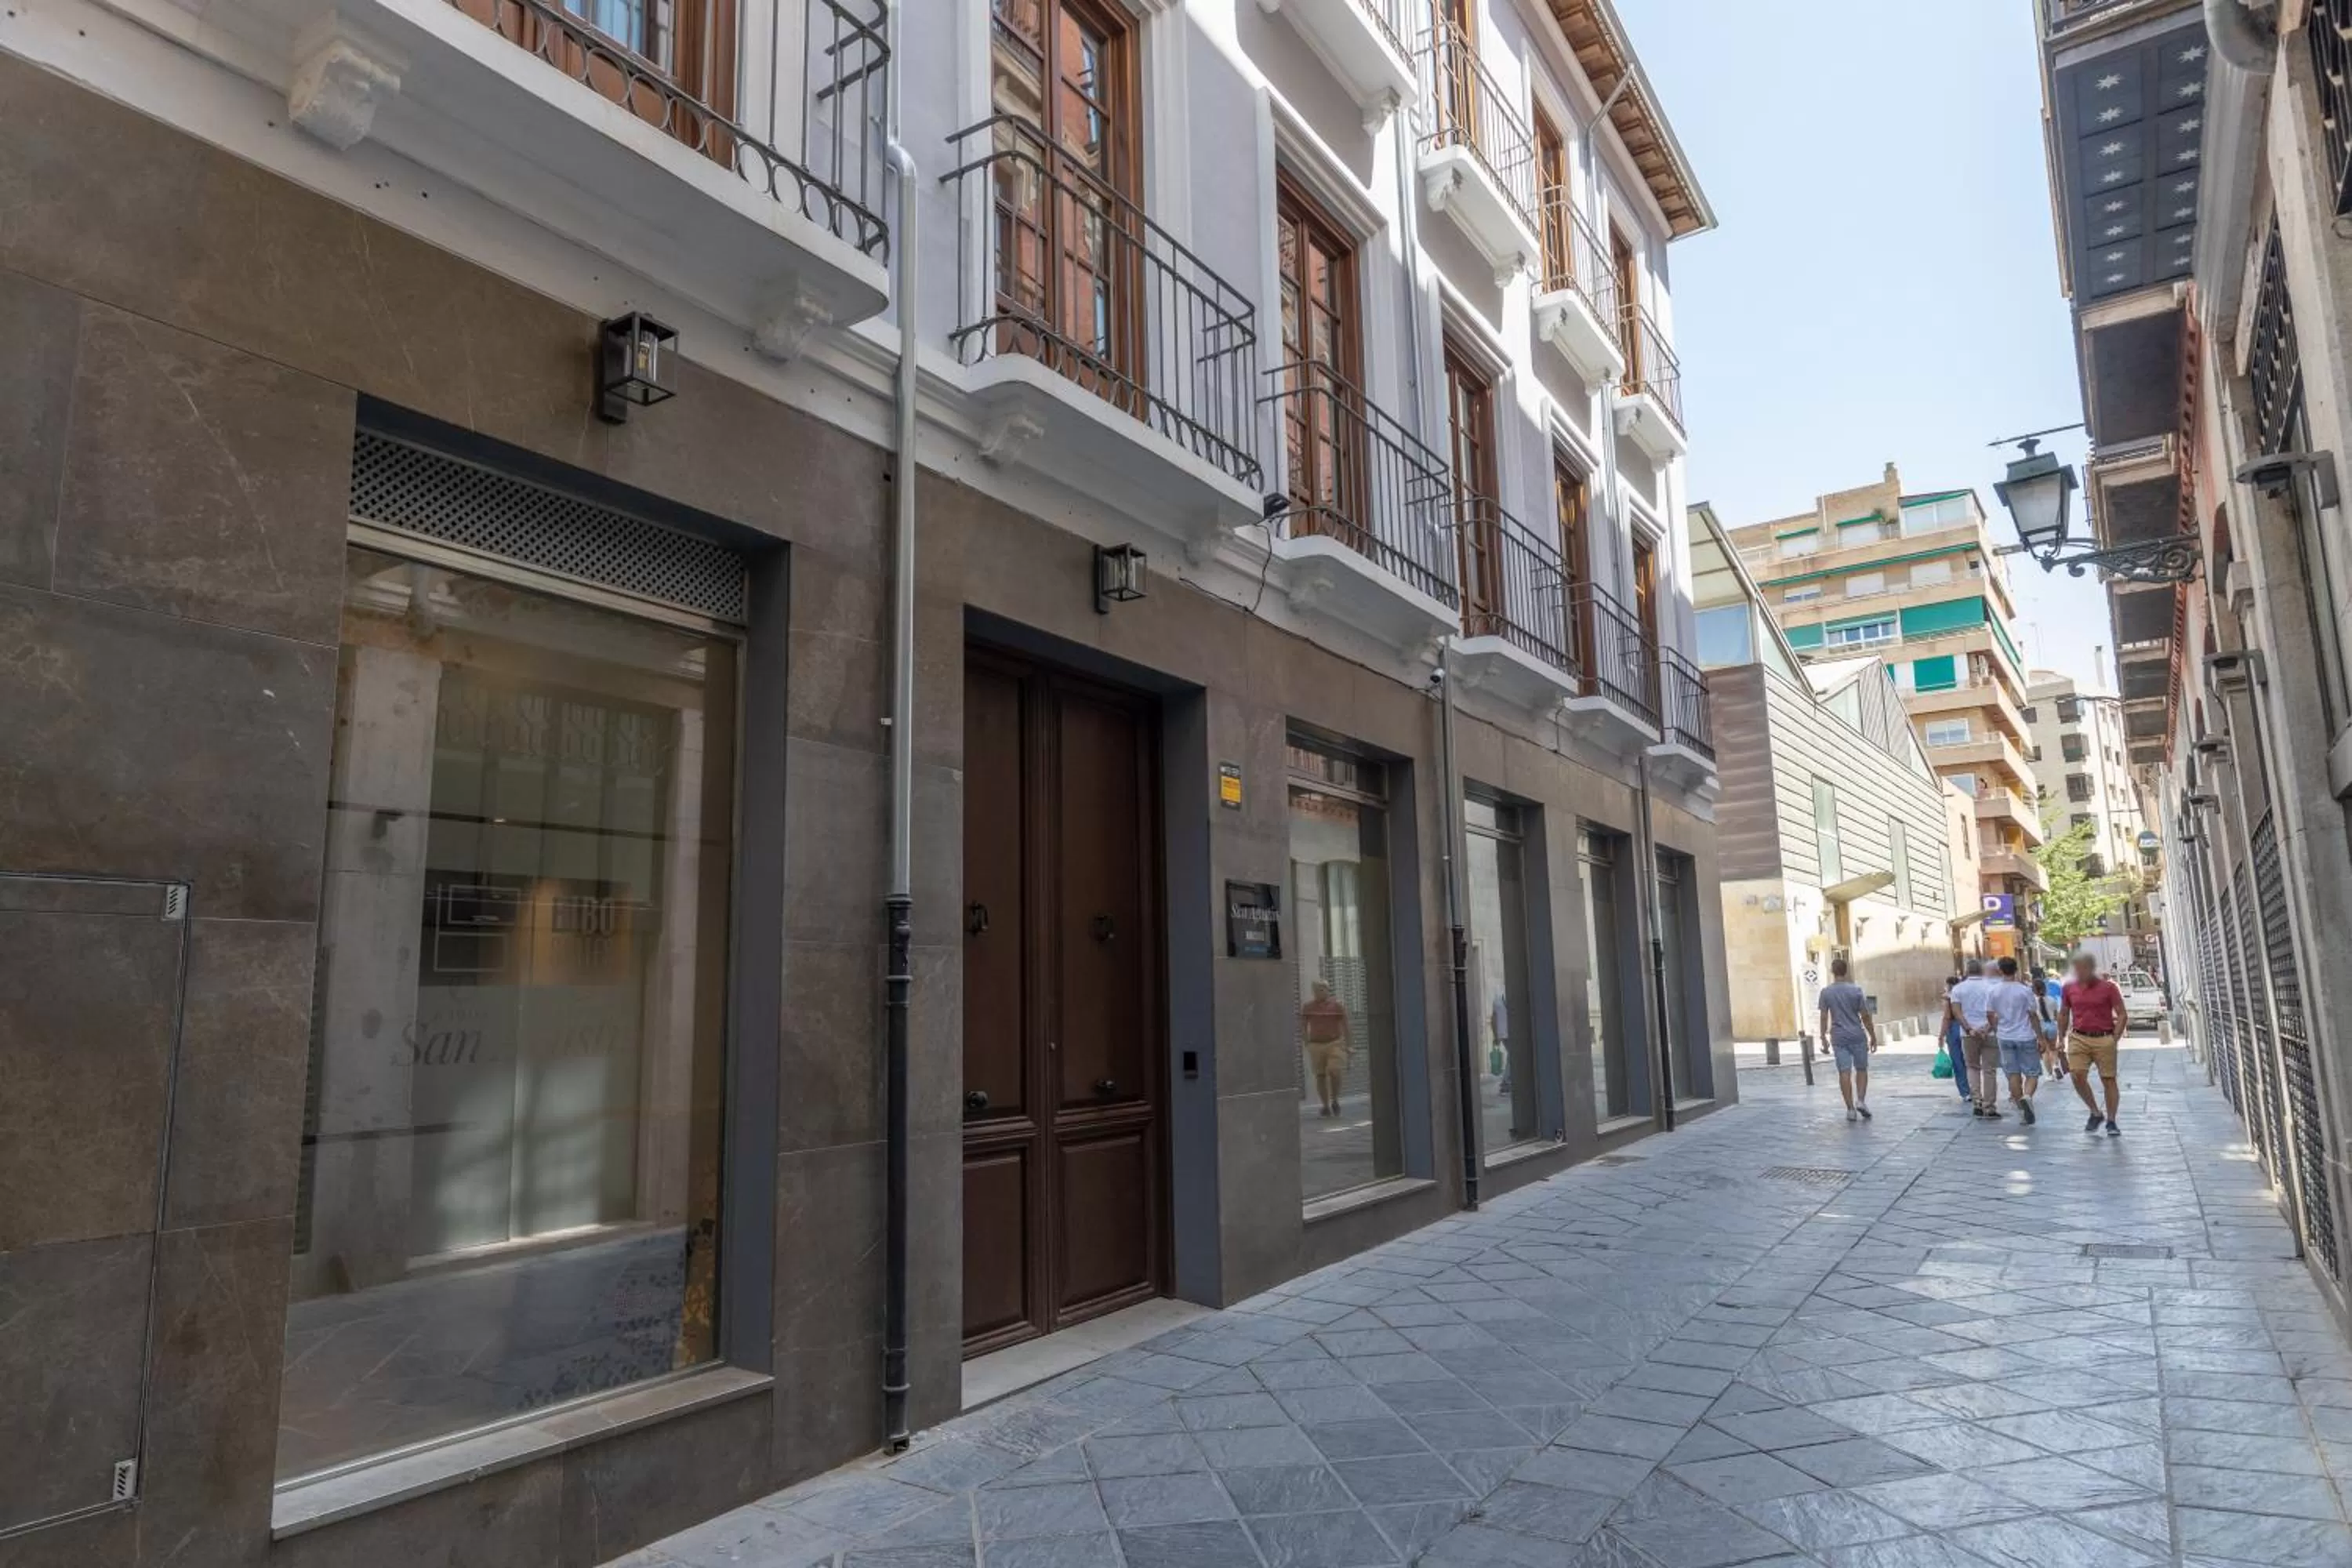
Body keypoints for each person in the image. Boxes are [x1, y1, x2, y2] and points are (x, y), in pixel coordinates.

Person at [2058, 951, 2129, 1136]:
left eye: (2083, 968)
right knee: (2076, 1075)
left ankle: (2112, 1121)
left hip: (2104, 1037)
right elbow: (2064, 1013)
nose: (2080, 972)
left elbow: (2121, 1013)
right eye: (2077, 969)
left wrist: (2115, 1037)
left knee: (2108, 1079)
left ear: (2091, 968)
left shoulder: (2108, 988)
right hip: (2079, 1037)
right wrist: (2060, 1038)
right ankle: (2095, 1112)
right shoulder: (2069, 988)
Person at [1989, 957, 2053, 1124]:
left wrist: (1997, 1029)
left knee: (2012, 1074)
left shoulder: (1994, 991)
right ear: (2016, 970)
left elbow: (1990, 1014)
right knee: (2032, 1073)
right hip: (2025, 1036)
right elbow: (2033, 1015)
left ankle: (2022, 1110)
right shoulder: (2025, 991)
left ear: (2000, 971)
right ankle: (2027, 1097)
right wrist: (2040, 1038)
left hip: (2005, 1036)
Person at [1817, 956, 1878, 1122]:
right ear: (1846, 971)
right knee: (1861, 1069)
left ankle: (1850, 1109)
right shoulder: (1856, 991)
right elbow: (1865, 1016)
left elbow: (1824, 1016)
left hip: (1838, 1036)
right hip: (1857, 1035)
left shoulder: (1826, 992)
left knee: (1844, 1072)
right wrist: (1872, 1035)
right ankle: (1861, 1101)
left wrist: (1823, 1036)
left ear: (1832, 972)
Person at [1951, 958, 2002, 1118]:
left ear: (1967, 971)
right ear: (1981, 971)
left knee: (1972, 1066)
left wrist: (1969, 1029)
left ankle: (1977, 1101)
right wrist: (1987, 1027)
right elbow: (1997, 1011)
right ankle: (1990, 1106)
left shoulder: (1958, 989)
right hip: (1990, 1033)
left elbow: (1957, 1012)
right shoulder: (1992, 987)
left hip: (1968, 1034)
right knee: (1990, 1070)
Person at [1300, 981, 1352, 1118]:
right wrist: (1307, 1042)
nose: (1319, 992)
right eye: (1316, 990)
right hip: (1316, 1044)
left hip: (1335, 1043)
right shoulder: (1308, 1007)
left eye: (1322, 989)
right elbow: (1303, 1026)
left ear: (1328, 990)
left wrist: (1349, 1045)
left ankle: (1335, 1099)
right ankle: (1325, 1106)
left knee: (1335, 1070)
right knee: (1320, 1075)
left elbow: (1346, 1026)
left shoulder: (1337, 1005)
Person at [1940, 975, 1972, 1104]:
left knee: (1958, 1061)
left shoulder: (1948, 998)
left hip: (1953, 1028)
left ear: (1948, 985)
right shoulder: (1965, 995)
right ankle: (1975, 1089)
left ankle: (1965, 1092)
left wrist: (1941, 1035)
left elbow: (1947, 1017)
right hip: (1966, 1025)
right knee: (1970, 1061)